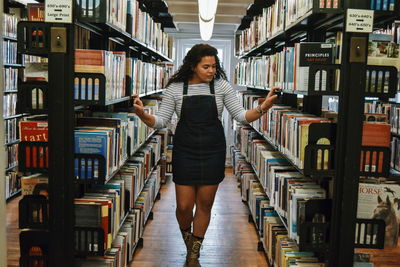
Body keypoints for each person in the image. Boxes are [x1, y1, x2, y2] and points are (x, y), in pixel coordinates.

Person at [133, 44, 278, 266]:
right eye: (206, 66)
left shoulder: (221, 87)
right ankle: (188, 240)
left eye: (214, 66)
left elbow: (241, 116)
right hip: (184, 151)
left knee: (205, 204)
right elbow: (161, 121)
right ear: (193, 66)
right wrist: (143, 115)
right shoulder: (175, 88)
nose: (211, 71)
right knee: (183, 206)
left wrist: (263, 107)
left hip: (213, 151)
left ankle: (194, 254)